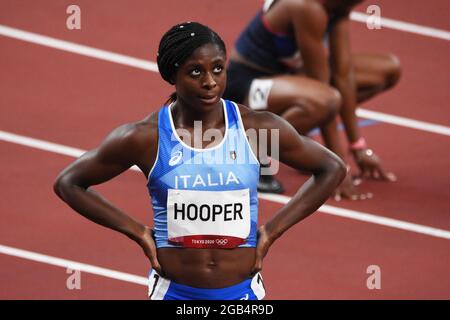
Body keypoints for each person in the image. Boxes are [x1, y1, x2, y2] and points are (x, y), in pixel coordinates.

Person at [53, 22, 346, 300]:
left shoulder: (257, 129)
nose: (210, 82)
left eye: (218, 69)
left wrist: (271, 232)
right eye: (195, 72)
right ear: (172, 75)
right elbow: (69, 183)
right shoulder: (146, 138)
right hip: (175, 293)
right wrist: (138, 232)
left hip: (243, 293)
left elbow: (331, 168)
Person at [223, 0, 401, 199]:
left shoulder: (338, 8)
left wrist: (358, 147)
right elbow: (324, 93)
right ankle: (247, 151)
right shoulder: (307, 7)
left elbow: (343, 75)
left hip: (287, 80)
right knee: (323, 101)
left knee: (387, 70)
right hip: (246, 85)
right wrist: (336, 168)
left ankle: (294, 137)